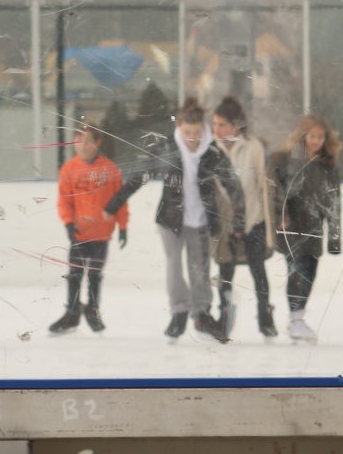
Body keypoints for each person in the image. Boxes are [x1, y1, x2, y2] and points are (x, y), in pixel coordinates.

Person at [137, 97, 244, 342]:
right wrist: (112, 205)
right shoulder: (167, 148)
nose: (192, 138)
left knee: (200, 270)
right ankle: (179, 313)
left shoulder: (213, 152)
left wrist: (238, 218)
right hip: (170, 220)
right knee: (174, 266)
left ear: (203, 129)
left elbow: (233, 186)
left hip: (200, 221)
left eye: (197, 132)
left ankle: (202, 315)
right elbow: (139, 174)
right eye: (188, 132)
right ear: (179, 129)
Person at [48, 123, 131, 335]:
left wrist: (123, 227)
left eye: (88, 141)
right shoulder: (69, 170)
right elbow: (64, 202)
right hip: (78, 233)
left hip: (101, 234)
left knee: (95, 274)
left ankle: (93, 311)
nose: (83, 145)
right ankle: (72, 313)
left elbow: (120, 201)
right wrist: (67, 223)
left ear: (98, 143)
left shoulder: (110, 169)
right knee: (74, 274)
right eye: (79, 140)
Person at [269, 113, 342, 343]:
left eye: (320, 137)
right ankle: (295, 320)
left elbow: (334, 202)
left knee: (310, 271)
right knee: (298, 268)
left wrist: (334, 237)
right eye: (313, 136)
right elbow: (274, 188)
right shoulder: (287, 161)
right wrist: (281, 215)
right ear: (303, 136)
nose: (316, 141)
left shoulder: (327, 166)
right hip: (291, 225)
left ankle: (298, 317)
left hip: (313, 227)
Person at [211, 95, 277, 339]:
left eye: (222, 124)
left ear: (236, 125)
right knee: (225, 273)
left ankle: (265, 317)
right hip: (224, 224)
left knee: (258, 270)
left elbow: (262, 185)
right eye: (214, 124)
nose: (216, 129)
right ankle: (224, 320)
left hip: (254, 220)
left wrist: (267, 223)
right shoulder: (211, 150)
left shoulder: (253, 147)